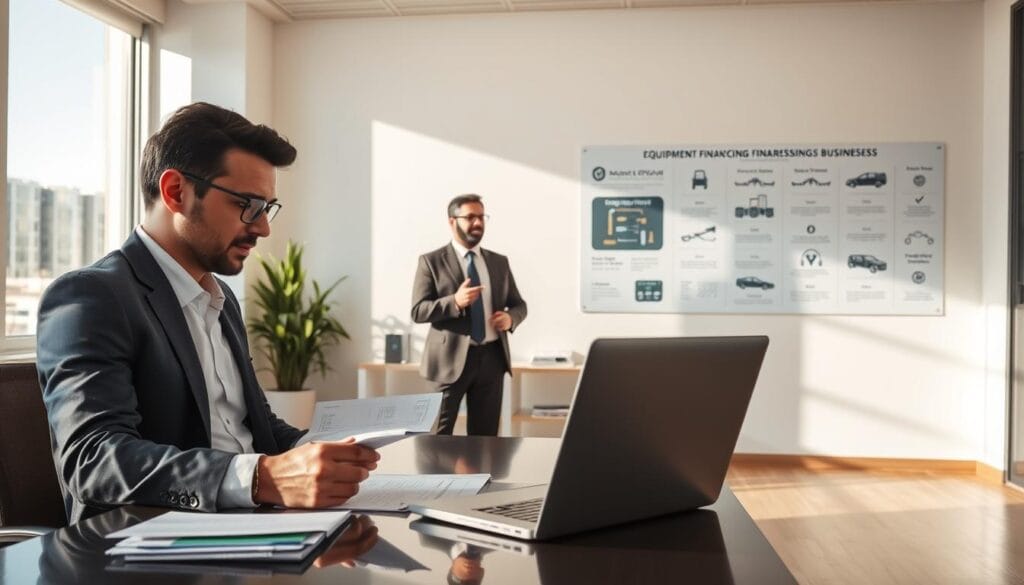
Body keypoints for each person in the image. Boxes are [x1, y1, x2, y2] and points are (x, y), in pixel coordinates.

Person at [36, 102, 379, 524]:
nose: (263, 228)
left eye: (267, 208)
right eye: (248, 205)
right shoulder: (92, 296)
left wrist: (328, 453)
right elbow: (95, 458)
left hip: (248, 525)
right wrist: (259, 478)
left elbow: (254, 428)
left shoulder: (222, 299)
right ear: (176, 192)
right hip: (147, 544)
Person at [411, 194, 527, 435]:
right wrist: (454, 301)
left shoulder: (498, 262)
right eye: (470, 217)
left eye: (481, 217)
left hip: (492, 359)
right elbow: (418, 310)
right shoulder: (431, 261)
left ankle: (482, 475)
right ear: (452, 221)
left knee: (486, 440)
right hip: (447, 361)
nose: (478, 222)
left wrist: (510, 319)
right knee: (437, 438)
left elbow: (519, 304)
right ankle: (437, 475)